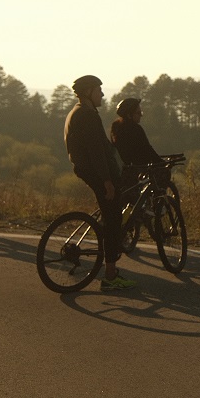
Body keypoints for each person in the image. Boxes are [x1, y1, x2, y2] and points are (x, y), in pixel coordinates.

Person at [64, 74, 135, 290]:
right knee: (113, 221)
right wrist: (107, 181)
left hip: (87, 169)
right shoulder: (87, 115)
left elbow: (102, 147)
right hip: (96, 172)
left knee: (110, 216)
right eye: (98, 90)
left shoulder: (80, 112)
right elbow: (96, 152)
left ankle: (106, 241)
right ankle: (111, 276)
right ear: (88, 93)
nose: (102, 93)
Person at [109, 97, 164, 206]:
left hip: (119, 170)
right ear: (130, 114)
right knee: (135, 204)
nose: (141, 115)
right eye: (138, 113)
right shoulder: (136, 129)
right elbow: (147, 149)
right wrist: (160, 162)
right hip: (134, 169)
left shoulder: (115, 127)